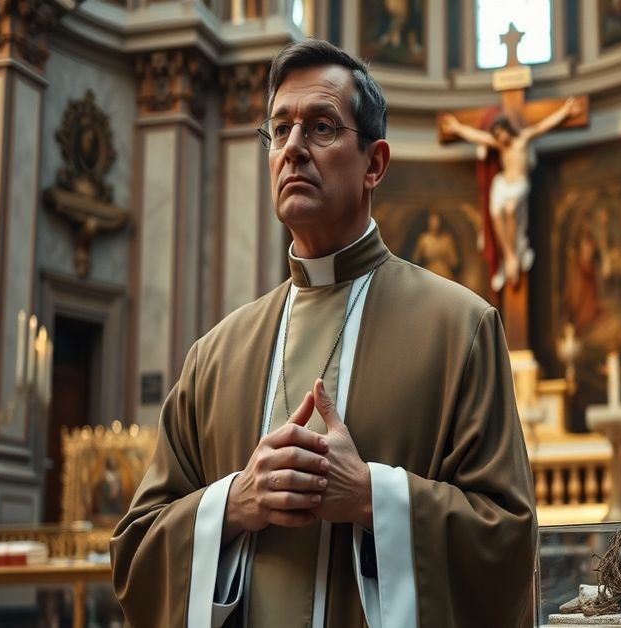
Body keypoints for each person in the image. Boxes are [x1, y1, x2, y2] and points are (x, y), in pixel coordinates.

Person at [111, 39, 536, 628]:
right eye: (279, 129)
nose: (292, 148)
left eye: (321, 128)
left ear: (374, 164)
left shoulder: (460, 330)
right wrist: (236, 502)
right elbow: (135, 551)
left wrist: (370, 497)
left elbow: (510, 542)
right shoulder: (214, 356)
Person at [443, 97, 579, 290]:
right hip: (503, 183)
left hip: (519, 184)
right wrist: (457, 128)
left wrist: (564, 112)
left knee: (511, 209)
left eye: (501, 134)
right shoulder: (500, 145)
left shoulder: (522, 139)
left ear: (507, 129)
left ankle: (514, 254)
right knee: (497, 214)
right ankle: (508, 255)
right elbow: (477, 136)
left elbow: (543, 126)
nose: (500, 139)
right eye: (496, 136)